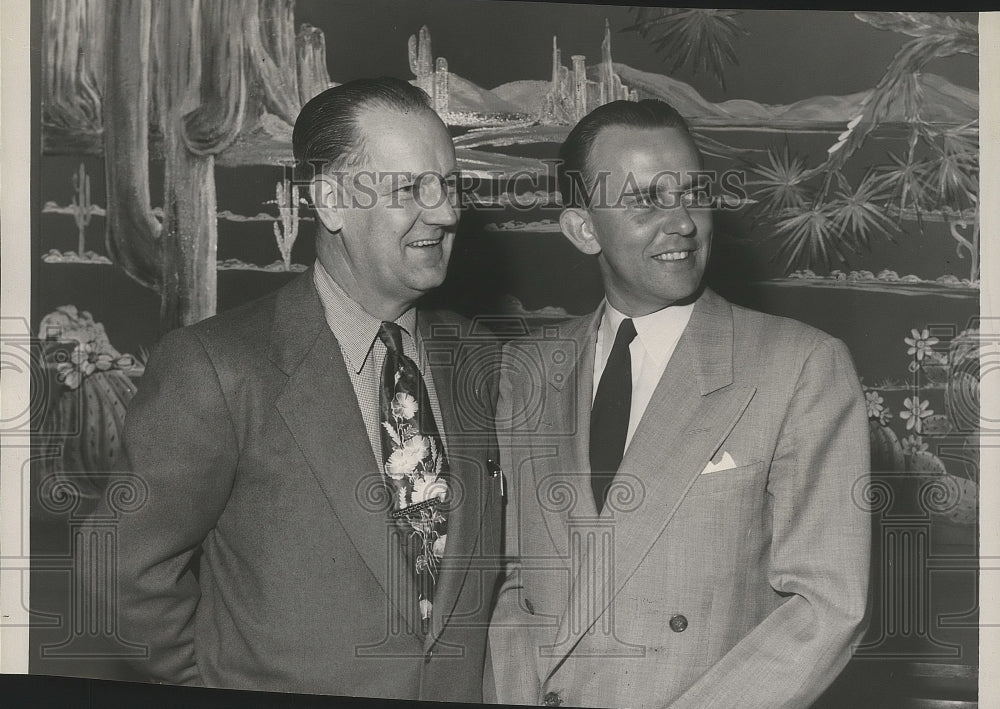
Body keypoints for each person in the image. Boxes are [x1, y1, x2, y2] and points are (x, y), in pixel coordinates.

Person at [109, 77, 503, 700]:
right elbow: (121, 572)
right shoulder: (215, 367)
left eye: (449, 186)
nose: (448, 213)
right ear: (331, 203)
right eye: (409, 189)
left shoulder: (484, 363)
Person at [488, 99, 870, 708]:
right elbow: (511, 585)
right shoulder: (526, 370)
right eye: (644, 200)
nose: (684, 222)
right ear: (583, 229)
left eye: (692, 191)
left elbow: (827, 606)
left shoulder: (800, 366)